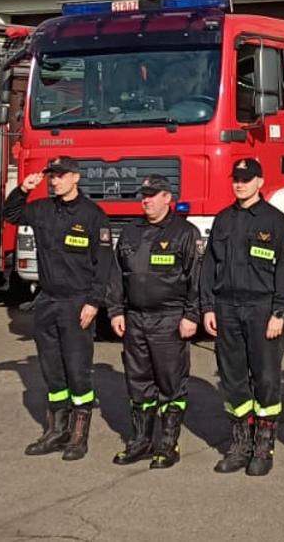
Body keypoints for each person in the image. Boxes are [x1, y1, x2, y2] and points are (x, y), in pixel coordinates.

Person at [1, 156, 112, 461]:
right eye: (52, 175)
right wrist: (23, 189)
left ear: (76, 177)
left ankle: (78, 435)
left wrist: (94, 302)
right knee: (52, 370)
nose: (54, 180)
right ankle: (55, 431)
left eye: (60, 176)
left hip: (77, 302)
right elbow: (10, 214)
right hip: (48, 300)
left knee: (77, 371)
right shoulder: (43, 209)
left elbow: (103, 265)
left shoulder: (92, 216)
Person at [201, 157, 284, 476]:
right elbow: (208, 266)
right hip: (227, 308)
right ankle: (240, 444)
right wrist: (208, 307)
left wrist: (279, 311)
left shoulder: (276, 221)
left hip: (262, 309)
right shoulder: (224, 220)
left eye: (246, 179)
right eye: (236, 179)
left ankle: (263, 447)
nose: (240, 183)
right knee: (232, 379)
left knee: (267, 379)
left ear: (260, 182)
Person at [105, 175, 204, 469]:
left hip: (169, 319)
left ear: (167, 198)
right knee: (138, 382)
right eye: (143, 195)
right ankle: (141, 441)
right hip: (135, 319)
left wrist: (191, 315)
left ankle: (167, 444)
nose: (145, 200)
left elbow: (197, 279)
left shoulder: (185, 233)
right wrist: (115, 311)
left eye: (152, 195)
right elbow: (116, 275)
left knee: (171, 383)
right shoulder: (131, 232)